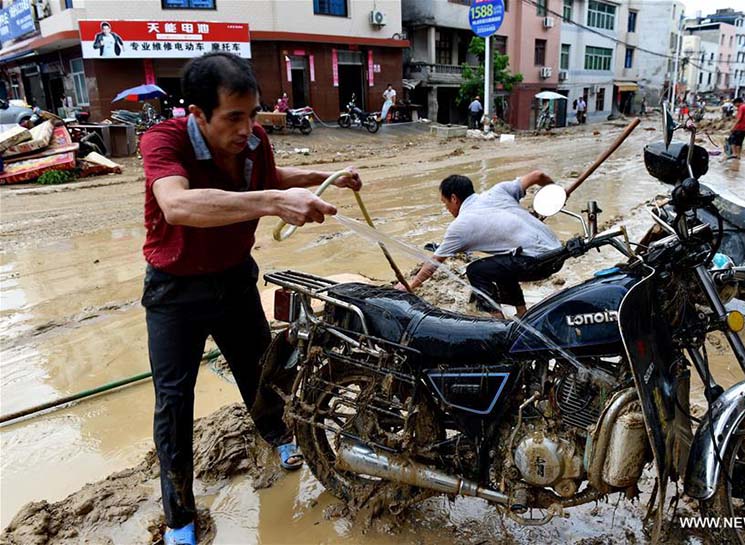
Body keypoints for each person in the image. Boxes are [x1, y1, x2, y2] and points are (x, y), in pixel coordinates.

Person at [140, 52, 362, 545]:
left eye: (254, 114)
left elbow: (270, 179)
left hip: (236, 279)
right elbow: (176, 205)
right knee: (173, 401)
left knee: (263, 370)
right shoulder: (164, 140)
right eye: (234, 117)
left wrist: (323, 177)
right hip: (175, 290)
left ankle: (279, 436)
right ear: (197, 114)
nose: (248, 128)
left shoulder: (255, 141)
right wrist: (275, 202)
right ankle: (179, 517)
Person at [396, 172, 561, 318]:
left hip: (538, 264)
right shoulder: (499, 191)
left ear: (454, 198)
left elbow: (433, 264)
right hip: (558, 253)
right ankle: (522, 312)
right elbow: (537, 176)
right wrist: (556, 193)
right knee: (500, 264)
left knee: (476, 270)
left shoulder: (461, 225)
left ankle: (497, 319)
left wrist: (409, 286)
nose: (446, 208)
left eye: (445, 203)